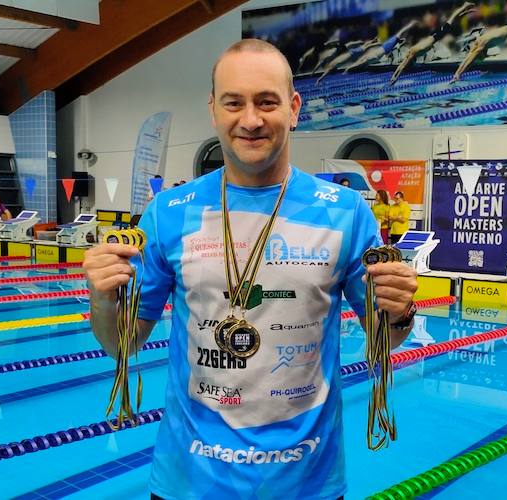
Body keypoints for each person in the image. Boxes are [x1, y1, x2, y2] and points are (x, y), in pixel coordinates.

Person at [83, 39, 418, 499]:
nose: (251, 119)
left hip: (306, 483)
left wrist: (399, 311)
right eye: (234, 103)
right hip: (189, 484)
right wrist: (102, 298)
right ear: (214, 110)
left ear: (294, 107)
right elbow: (121, 344)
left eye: (267, 102)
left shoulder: (345, 212)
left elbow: (387, 341)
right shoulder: (168, 212)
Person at [390, 2, 476, 85]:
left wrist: (395, 78)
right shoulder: (410, 53)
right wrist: (394, 77)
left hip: (435, 37)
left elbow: (402, 67)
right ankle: (465, 12)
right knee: (451, 24)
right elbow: (401, 66)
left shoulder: (411, 54)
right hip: (434, 37)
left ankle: (464, 6)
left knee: (450, 21)